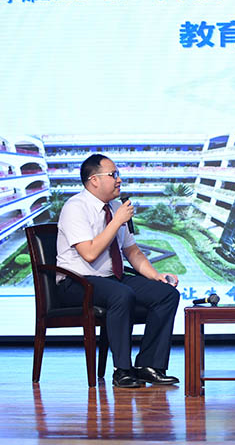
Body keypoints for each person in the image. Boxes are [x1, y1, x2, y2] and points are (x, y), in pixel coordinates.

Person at [56, 154, 181, 388]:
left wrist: (156, 276)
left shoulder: (114, 207)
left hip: (111, 279)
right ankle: (122, 370)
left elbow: (132, 251)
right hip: (77, 283)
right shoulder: (75, 207)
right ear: (94, 180)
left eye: (118, 174)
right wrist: (116, 221)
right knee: (121, 294)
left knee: (166, 294)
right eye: (113, 175)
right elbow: (89, 253)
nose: (119, 180)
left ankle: (149, 366)